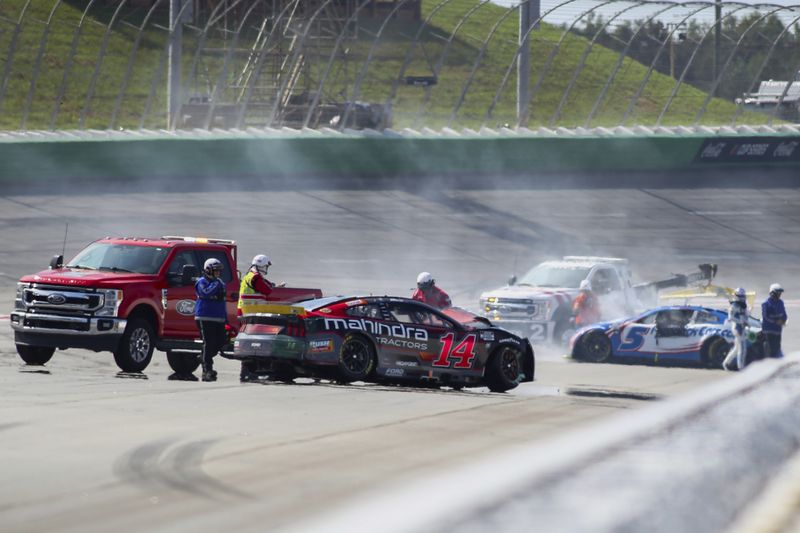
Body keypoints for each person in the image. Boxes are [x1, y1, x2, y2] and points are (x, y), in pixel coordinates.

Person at [238, 254, 276, 382]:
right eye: (265, 266)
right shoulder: (255, 277)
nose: (266, 268)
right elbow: (267, 290)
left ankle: (247, 372)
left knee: (249, 344)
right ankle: (248, 372)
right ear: (261, 265)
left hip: (246, 313)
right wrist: (273, 287)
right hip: (252, 314)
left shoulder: (249, 276)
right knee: (253, 344)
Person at [195, 258, 228, 382]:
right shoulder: (201, 282)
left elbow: (223, 302)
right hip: (204, 316)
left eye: (219, 271)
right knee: (208, 343)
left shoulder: (220, 283)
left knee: (221, 342)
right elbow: (205, 293)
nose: (218, 274)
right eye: (216, 271)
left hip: (218, 318)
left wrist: (226, 320)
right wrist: (216, 284)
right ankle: (207, 370)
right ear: (208, 270)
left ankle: (203, 357)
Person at [723, 287, 749, 371]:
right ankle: (741, 367)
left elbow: (745, 316)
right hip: (737, 328)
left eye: (743, 295)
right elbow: (730, 318)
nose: (742, 297)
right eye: (740, 296)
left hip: (742, 328)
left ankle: (726, 363)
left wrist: (746, 322)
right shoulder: (733, 306)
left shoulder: (743, 305)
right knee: (742, 349)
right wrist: (741, 322)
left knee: (737, 348)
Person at [761, 283, 787, 358]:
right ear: (772, 293)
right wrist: (775, 321)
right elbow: (765, 316)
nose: (779, 294)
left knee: (777, 348)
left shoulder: (781, 302)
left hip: (777, 330)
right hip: (768, 330)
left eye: (780, 293)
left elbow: (784, 314)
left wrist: (784, 320)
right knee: (770, 349)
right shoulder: (765, 303)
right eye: (778, 293)